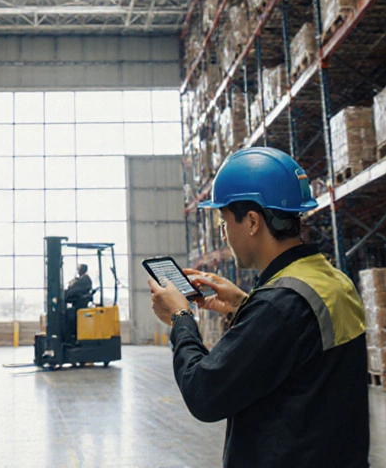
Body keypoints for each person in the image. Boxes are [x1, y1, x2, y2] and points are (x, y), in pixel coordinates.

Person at [148, 147, 369, 468]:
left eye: (224, 224)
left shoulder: (279, 305)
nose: (224, 236)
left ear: (252, 221)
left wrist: (180, 318)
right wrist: (243, 305)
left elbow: (204, 394)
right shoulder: (330, 280)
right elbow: (299, 350)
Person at [63, 264, 93, 342]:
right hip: (80, 305)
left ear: (82, 270)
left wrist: (70, 286)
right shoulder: (83, 280)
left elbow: (73, 292)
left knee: (66, 315)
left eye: (78, 269)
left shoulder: (84, 280)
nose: (77, 271)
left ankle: (69, 339)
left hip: (80, 306)